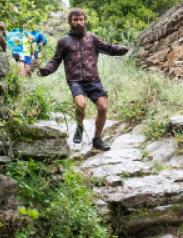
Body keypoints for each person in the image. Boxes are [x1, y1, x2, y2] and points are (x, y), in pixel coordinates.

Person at [36, 8, 129, 151]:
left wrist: (121, 49)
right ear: (70, 21)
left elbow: (108, 48)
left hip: (93, 79)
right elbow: (55, 61)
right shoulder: (64, 41)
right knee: (81, 104)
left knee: (103, 107)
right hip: (75, 80)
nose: (78, 22)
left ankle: (97, 139)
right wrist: (46, 70)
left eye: (81, 19)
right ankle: (79, 126)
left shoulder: (92, 38)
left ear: (84, 20)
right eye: (75, 20)